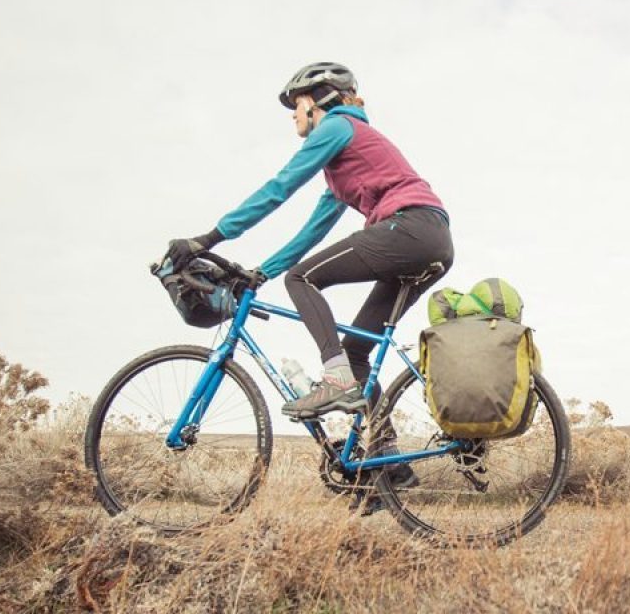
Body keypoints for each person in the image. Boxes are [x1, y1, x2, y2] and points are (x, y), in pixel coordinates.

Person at [165, 62, 454, 425]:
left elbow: (279, 187)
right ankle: (384, 452)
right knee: (355, 354)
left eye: (297, 104)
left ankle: (336, 379)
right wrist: (262, 272)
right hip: (431, 239)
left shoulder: (337, 126)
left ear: (318, 101)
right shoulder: (345, 162)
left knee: (301, 279)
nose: (293, 115)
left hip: (410, 227)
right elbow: (312, 231)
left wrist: (210, 238)